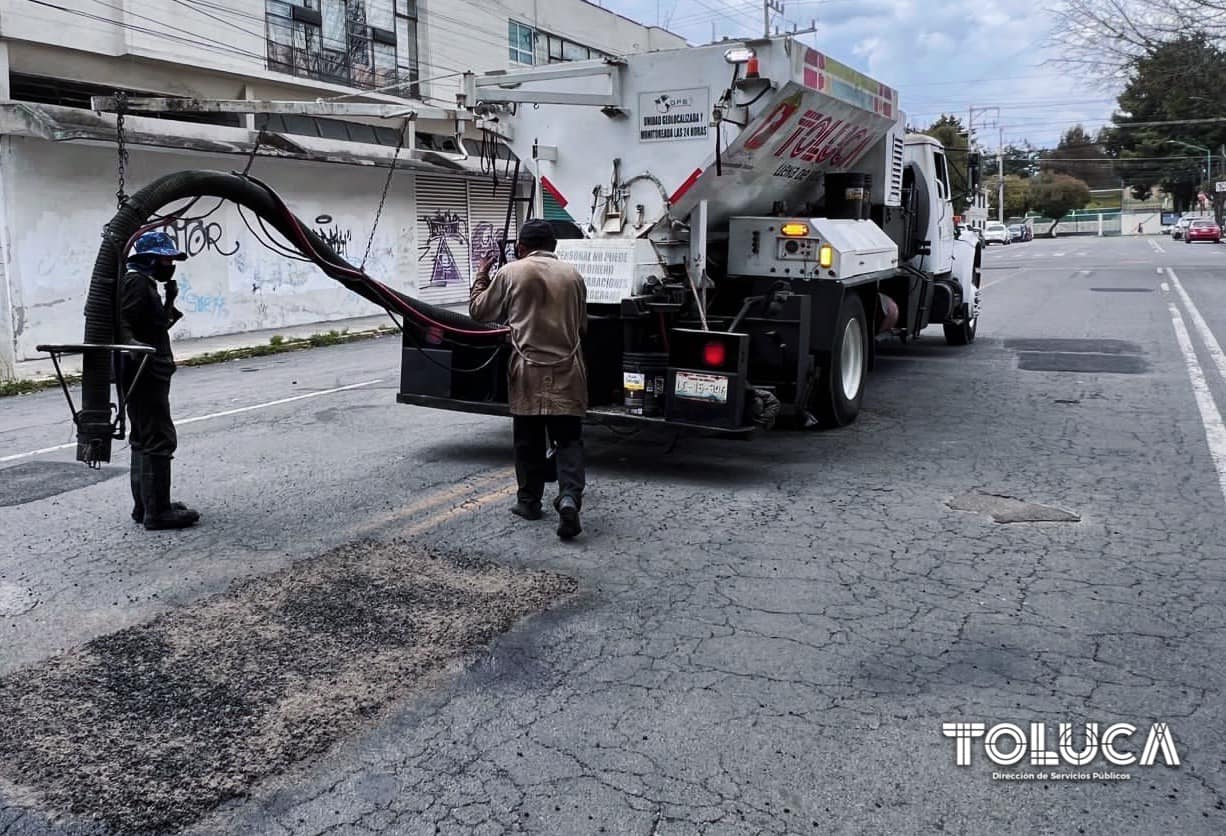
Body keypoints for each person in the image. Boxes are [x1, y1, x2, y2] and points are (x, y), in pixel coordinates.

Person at [469, 219, 588, 540]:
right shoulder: (574, 276)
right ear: (554, 247)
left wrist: (483, 273)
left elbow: (479, 311)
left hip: (527, 372)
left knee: (528, 440)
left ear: (521, 248)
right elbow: (582, 327)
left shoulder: (511, 272)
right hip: (568, 371)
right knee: (568, 440)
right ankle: (568, 498)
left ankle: (529, 502)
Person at [119, 231, 200, 530]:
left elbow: (154, 325)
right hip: (145, 371)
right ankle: (157, 512)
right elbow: (124, 323)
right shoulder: (136, 283)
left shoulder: (144, 283)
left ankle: (146, 506)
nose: (171, 264)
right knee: (158, 437)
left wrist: (170, 300)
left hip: (148, 370)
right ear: (150, 259)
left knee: (143, 436)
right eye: (167, 258)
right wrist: (133, 348)